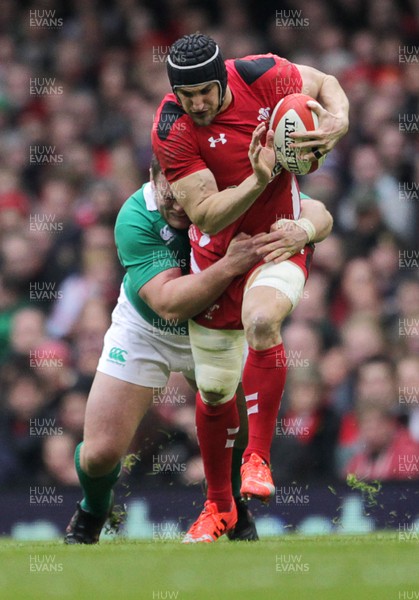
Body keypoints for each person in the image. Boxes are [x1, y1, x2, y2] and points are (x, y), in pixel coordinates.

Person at [64, 157, 331, 544]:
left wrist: (303, 230)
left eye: (182, 197)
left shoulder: (223, 194)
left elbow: (318, 211)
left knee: (239, 436)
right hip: (147, 331)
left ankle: (234, 511)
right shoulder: (135, 217)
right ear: (151, 178)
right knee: (100, 454)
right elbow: (170, 303)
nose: (175, 206)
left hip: (217, 328)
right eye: (166, 195)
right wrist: (229, 265)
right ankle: (93, 506)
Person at [152, 33, 346, 542]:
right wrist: (259, 179)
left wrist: (338, 120)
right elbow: (207, 214)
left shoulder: (260, 74)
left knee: (263, 320)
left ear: (222, 79)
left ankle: (257, 459)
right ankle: (219, 507)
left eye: (205, 93)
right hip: (218, 257)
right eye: (185, 94)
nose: (196, 104)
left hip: (277, 239)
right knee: (215, 391)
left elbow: (325, 84)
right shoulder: (171, 126)